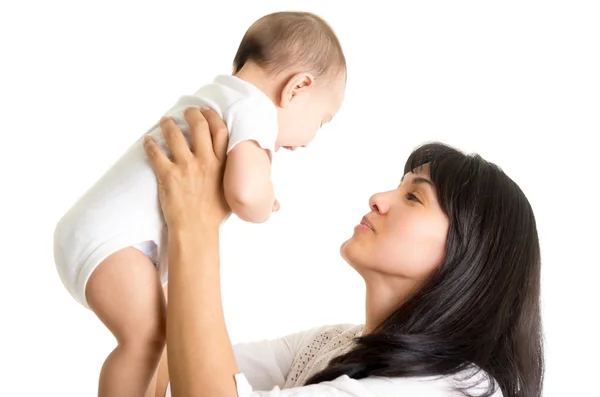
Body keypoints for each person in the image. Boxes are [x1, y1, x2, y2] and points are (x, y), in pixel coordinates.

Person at [143, 108, 544, 397]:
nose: (378, 198)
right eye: (398, 185)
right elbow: (181, 365)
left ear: (468, 253)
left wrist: (194, 227)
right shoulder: (335, 344)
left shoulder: (444, 388)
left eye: (414, 196)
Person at [52, 11, 346, 397]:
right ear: (296, 88)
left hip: (107, 235)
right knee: (145, 339)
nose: (309, 140)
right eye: (322, 120)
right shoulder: (255, 110)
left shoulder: (221, 94)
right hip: (111, 242)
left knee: (165, 336)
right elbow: (244, 194)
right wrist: (266, 197)